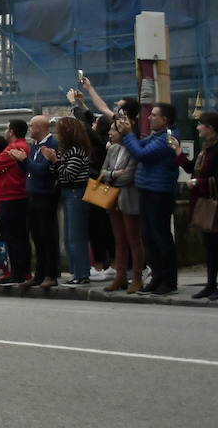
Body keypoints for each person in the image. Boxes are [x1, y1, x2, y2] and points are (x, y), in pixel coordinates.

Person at [117, 102, 181, 296]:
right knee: (148, 237)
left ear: (165, 120)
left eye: (154, 115)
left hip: (159, 192)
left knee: (160, 237)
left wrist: (128, 135)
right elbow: (137, 145)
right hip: (147, 189)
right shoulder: (156, 135)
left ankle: (168, 281)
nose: (149, 118)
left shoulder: (168, 138)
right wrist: (128, 132)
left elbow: (141, 153)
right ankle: (157, 276)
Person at [182, 112, 218, 300]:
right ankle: (211, 284)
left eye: (200, 124)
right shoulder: (205, 148)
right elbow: (192, 168)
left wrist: (198, 182)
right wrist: (177, 153)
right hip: (205, 202)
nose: (198, 128)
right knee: (209, 245)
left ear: (210, 127)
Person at [98, 119, 141, 293]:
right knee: (119, 240)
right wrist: (115, 174)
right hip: (112, 198)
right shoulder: (113, 149)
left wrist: (112, 176)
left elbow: (129, 176)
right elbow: (103, 172)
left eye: (113, 130)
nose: (110, 133)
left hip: (128, 198)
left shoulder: (134, 149)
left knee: (134, 239)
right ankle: (120, 276)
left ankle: (137, 277)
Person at [0, 120, 31, 286]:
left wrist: (3, 168)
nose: (5, 131)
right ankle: (22, 272)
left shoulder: (14, 147)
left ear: (12, 131)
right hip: (13, 196)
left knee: (14, 237)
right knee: (19, 236)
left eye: (7, 128)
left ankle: (18, 273)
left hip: (12, 197)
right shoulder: (20, 146)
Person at [54, 116, 92, 285]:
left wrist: (54, 161)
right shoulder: (65, 150)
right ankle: (75, 272)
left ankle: (81, 273)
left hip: (76, 192)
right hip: (67, 192)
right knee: (69, 236)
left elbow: (69, 174)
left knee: (75, 235)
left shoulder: (77, 151)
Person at [24, 115, 60, 289]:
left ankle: (50, 274)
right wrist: (21, 162)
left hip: (45, 194)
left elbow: (43, 169)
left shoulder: (52, 144)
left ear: (40, 128)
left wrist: (24, 160)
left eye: (32, 126)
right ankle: (38, 273)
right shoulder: (34, 146)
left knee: (47, 236)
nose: (30, 129)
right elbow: (30, 168)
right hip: (32, 194)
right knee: (37, 237)